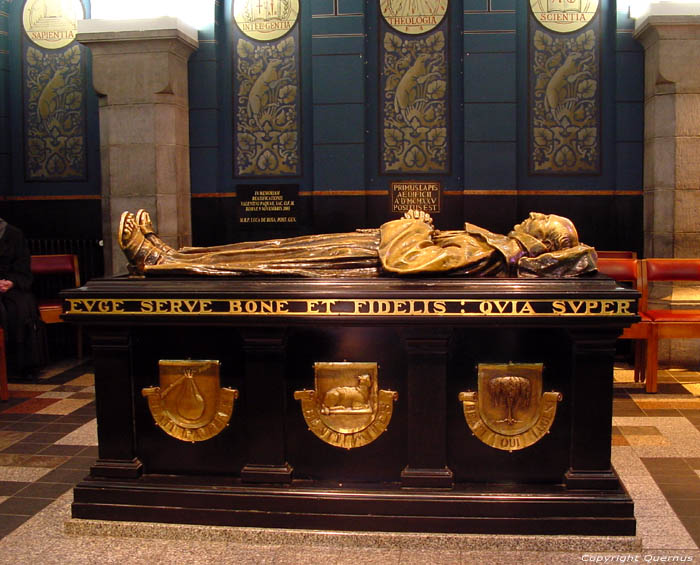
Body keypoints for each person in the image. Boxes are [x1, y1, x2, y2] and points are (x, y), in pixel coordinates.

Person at [118, 209, 598, 278]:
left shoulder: (491, 250)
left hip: (361, 258)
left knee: (266, 257)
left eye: (544, 218)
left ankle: (161, 259)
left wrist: (412, 222)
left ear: (542, 237)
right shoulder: (492, 242)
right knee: (270, 247)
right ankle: (172, 254)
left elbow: (407, 260)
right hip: (361, 248)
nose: (534, 212)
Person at [0, 218, 44, 380]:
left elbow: (23, 269)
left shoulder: (14, 234)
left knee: (21, 306)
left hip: (9, 285)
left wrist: (10, 282)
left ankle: (22, 366)